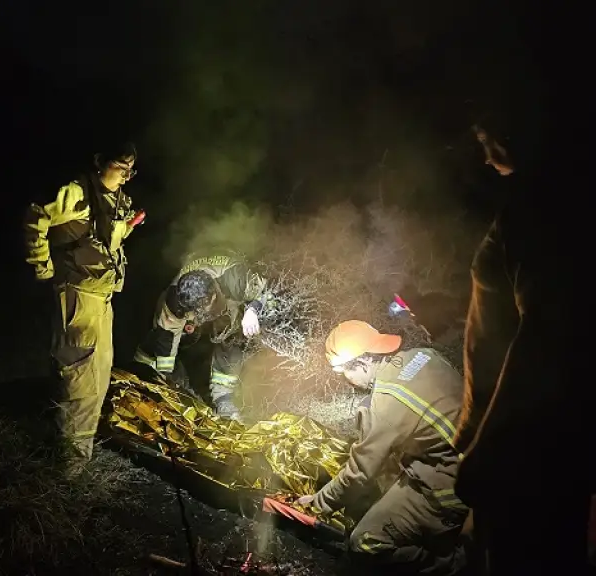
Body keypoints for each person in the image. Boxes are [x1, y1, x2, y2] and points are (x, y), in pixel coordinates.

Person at [297, 320, 469, 574]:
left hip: (453, 487)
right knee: (388, 467)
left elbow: (359, 472)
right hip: (480, 458)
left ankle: (455, 565)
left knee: (365, 543)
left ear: (363, 362)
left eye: (344, 372)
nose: (347, 380)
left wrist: (318, 503)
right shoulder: (422, 355)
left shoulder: (386, 404)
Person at [23, 141, 142, 461]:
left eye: (131, 169)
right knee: (79, 385)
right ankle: (67, 473)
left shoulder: (115, 197)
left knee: (99, 381)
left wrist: (126, 229)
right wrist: (43, 267)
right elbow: (36, 214)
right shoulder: (75, 192)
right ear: (100, 161)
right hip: (78, 298)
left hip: (102, 299)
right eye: (121, 166)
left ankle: (77, 459)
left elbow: (104, 241)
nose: (126, 175)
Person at [133, 249, 267, 423]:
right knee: (162, 345)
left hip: (230, 298)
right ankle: (146, 375)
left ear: (213, 294)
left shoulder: (234, 279)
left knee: (232, 334)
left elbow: (263, 288)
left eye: (205, 309)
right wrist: (168, 385)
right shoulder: (175, 303)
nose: (202, 315)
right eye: (197, 312)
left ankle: (224, 399)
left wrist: (252, 310)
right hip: (194, 311)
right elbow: (165, 348)